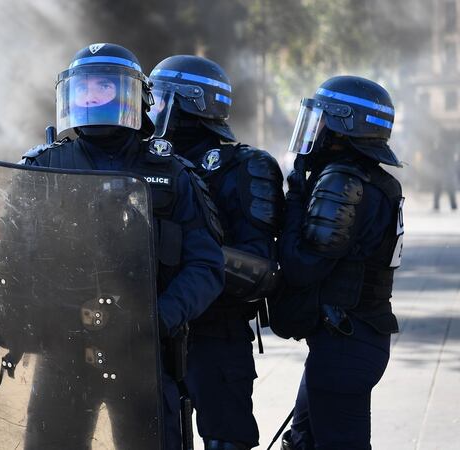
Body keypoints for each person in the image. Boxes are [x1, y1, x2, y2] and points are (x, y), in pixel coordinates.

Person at [20, 43, 225, 449]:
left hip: (143, 354)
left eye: (105, 88)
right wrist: (30, 317)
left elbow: (206, 267)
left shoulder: (171, 172)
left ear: (136, 97)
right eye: (84, 89)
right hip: (63, 353)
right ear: (68, 97)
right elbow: (10, 257)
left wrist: (154, 321)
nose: (93, 97)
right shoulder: (43, 168)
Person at [148, 55, 284, 450]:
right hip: (156, 330)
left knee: (227, 440)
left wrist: (190, 262)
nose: (148, 109)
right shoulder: (144, 161)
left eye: (157, 99)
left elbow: (260, 268)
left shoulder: (246, 166)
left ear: (189, 102)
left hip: (216, 332)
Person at [276, 76, 404, 450]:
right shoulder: (375, 179)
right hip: (353, 339)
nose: (313, 130)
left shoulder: (342, 180)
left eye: (321, 120)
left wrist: (297, 196)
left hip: (345, 345)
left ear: (343, 125)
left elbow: (302, 266)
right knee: (303, 441)